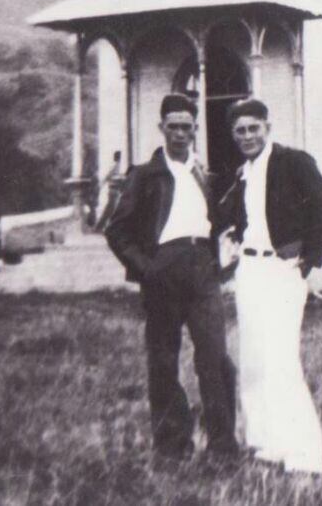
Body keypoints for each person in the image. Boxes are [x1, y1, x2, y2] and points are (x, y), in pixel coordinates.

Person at [104, 94, 239, 468]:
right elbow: (116, 230)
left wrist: (219, 261)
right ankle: (172, 445)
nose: (180, 133)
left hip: (202, 269)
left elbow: (218, 224)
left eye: (186, 127)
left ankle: (223, 446)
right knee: (163, 360)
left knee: (215, 357)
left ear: (196, 129)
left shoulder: (203, 174)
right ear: (161, 128)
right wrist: (147, 269)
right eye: (173, 126)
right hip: (162, 268)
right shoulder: (145, 175)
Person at [217, 98, 322, 476]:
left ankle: (304, 456)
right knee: (254, 361)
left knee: (281, 360)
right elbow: (239, 217)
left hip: (282, 270)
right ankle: (266, 445)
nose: (247, 136)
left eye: (254, 128)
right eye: (240, 131)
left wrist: (310, 258)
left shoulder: (293, 162)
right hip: (249, 270)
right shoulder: (242, 173)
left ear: (267, 127)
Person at [94, 150, 125, 231]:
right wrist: (101, 185)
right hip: (113, 189)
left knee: (111, 209)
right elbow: (108, 175)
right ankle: (99, 227)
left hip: (115, 189)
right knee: (110, 209)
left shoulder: (117, 166)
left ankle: (101, 227)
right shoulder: (115, 165)